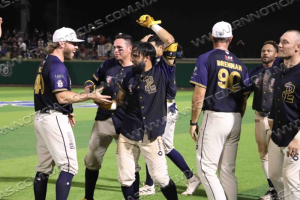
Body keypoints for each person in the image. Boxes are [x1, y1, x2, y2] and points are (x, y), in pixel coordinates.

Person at [33, 27, 111, 200]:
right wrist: (90, 95)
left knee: (43, 168)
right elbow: (61, 97)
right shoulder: (56, 65)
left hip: (41, 117)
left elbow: (50, 96)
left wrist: (67, 111)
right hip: (53, 119)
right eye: (73, 43)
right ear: (62, 43)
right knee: (69, 167)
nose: (76, 47)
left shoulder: (46, 61)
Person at [109, 15, 179, 200]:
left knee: (161, 178)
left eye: (135, 56)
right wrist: (109, 104)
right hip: (128, 133)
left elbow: (170, 41)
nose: (132, 60)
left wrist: (153, 25)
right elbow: (120, 100)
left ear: (147, 57)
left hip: (151, 134)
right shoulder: (130, 74)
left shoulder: (162, 71)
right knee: (126, 178)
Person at [189, 21, 250, 200]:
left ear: (211, 37)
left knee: (206, 168)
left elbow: (199, 95)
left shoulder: (206, 58)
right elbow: (244, 99)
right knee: (227, 170)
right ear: (231, 38)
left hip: (215, 117)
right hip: (236, 118)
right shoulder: (241, 65)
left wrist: (193, 122)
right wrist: (237, 117)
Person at [138, 34, 201, 196]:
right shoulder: (151, 62)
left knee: (164, 146)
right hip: (158, 107)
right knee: (151, 142)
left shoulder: (165, 61)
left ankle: (191, 177)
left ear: (160, 47)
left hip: (166, 107)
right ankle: (150, 183)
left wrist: (153, 26)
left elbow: (171, 40)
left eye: (153, 47)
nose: (149, 50)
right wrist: (144, 41)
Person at [82, 33, 133, 200]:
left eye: (120, 48)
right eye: (115, 47)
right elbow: (92, 80)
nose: (116, 51)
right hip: (103, 119)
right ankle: (88, 197)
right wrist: (89, 88)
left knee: (129, 167)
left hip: (127, 121)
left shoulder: (138, 68)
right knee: (92, 160)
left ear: (130, 49)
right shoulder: (108, 64)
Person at [268, 30, 300, 200]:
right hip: (277, 135)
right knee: (274, 174)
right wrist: (271, 122)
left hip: (295, 137)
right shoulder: (279, 70)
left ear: (298, 47)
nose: (279, 45)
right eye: (280, 41)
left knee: (291, 178)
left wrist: (298, 138)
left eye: (285, 42)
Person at [248, 40, 279, 200]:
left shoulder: (282, 71)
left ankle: (285, 189)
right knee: (264, 154)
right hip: (259, 117)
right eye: (263, 51)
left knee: (280, 154)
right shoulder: (254, 71)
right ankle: (273, 189)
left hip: (277, 118)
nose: (265, 53)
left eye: (268, 51)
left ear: (276, 54)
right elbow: (244, 93)